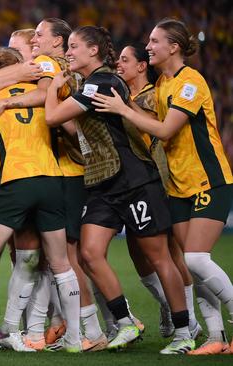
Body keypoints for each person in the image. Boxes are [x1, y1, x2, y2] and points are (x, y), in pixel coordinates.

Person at [45, 25, 194, 354]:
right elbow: (74, 127)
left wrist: (53, 87)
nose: (68, 52)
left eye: (74, 46)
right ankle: (126, 321)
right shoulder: (88, 84)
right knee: (89, 253)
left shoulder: (104, 82)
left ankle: (185, 330)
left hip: (135, 181)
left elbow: (54, 117)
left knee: (159, 257)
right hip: (103, 183)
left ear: (93, 51)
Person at [92, 18, 233, 355]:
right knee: (192, 266)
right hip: (178, 186)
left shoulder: (190, 82)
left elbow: (167, 130)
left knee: (197, 260)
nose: (149, 45)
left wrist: (123, 108)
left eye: (155, 41)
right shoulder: (162, 86)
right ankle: (215, 338)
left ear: (174, 47)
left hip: (209, 180)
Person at [0, 44, 81, 354]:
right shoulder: (40, 89)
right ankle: (76, 339)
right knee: (60, 263)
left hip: (12, 179)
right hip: (52, 179)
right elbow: (68, 125)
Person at [115, 42, 201, 340]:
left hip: (159, 182)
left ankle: (188, 319)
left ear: (142, 66)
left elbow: (160, 127)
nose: (118, 65)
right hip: (131, 183)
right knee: (139, 256)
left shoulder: (152, 95)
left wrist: (126, 106)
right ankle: (167, 304)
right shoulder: (125, 96)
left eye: (125, 60)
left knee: (171, 255)